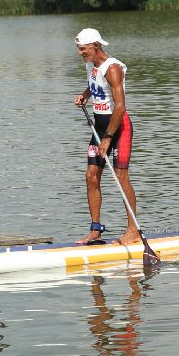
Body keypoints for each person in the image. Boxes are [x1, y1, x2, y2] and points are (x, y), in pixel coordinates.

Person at [73, 27, 139, 246]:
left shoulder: (112, 69)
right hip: (99, 129)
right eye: (79, 49)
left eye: (83, 49)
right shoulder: (93, 66)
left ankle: (133, 231)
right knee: (91, 175)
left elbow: (120, 107)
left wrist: (108, 138)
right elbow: (95, 86)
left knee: (121, 177)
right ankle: (95, 230)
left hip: (118, 128)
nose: (80, 53)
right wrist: (84, 95)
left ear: (96, 46)